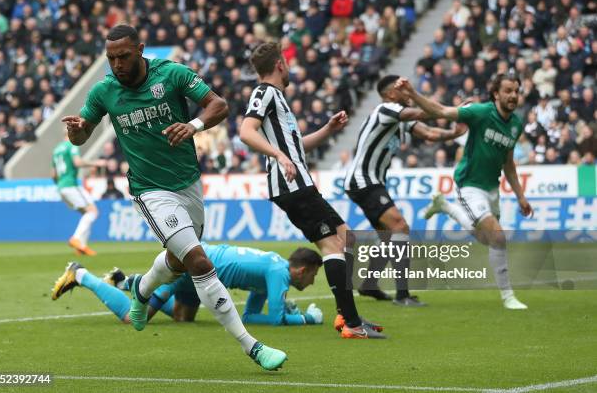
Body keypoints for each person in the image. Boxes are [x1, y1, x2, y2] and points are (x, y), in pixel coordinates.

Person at [61, 25, 286, 371]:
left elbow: (219, 105)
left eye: (123, 56)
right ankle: (252, 346)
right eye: (110, 59)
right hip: (150, 190)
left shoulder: (172, 74)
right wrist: (77, 132)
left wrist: (193, 125)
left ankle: (140, 291)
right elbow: (82, 135)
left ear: (140, 49)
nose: (117, 64)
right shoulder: (104, 91)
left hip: (188, 183)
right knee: (198, 261)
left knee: (178, 262)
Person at [239, 42, 385, 339]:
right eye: (287, 62)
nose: (290, 67)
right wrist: (279, 157)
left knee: (346, 239)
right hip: (291, 185)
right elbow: (246, 132)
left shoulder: (278, 99)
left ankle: (348, 316)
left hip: (299, 182)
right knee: (333, 246)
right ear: (280, 64)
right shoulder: (264, 93)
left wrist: (328, 131)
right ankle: (352, 323)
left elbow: (295, 148)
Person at [396, 73, 533, 310]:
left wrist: (520, 195)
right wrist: (413, 93)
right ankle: (508, 297)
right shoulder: (480, 112)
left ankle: (445, 207)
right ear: (496, 93)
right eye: (508, 90)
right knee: (498, 236)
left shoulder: (516, 125)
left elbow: (508, 163)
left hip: (492, 187)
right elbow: (441, 111)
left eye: (516, 91)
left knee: (486, 240)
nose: (513, 95)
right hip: (469, 185)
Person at [344, 75, 466, 306]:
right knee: (400, 226)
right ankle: (403, 295)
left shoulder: (399, 119)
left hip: (370, 181)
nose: (409, 95)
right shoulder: (386, 109)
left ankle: (370, 284)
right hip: (363, 180)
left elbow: (429, 133)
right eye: (404, 92)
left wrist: (454, 134)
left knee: (389, 235)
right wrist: (454, 111)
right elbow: (423, 113)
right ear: (391, 94)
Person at [51, 244, 324, 326]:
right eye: (312, 276)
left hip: (200, 275)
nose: (312, 283)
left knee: (184, 318)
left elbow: (251, 315)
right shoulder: (278, 273)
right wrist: (308, 318)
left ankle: (128, 282)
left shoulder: (274, 270)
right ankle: (82, 274)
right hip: (190, 268)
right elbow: (275, 319)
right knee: (134, 318)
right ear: (301, 271)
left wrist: (288, 312)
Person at [52, 130, 106, 256]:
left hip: (61, 187)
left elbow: (53, 175)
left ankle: (81, 246)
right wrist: (95, 163)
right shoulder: (71, 145)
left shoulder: (56, 150)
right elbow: (77, 162)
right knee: (93, 211)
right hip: (71, 185)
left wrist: (61, 185)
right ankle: (76, 239)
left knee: (86, 213)